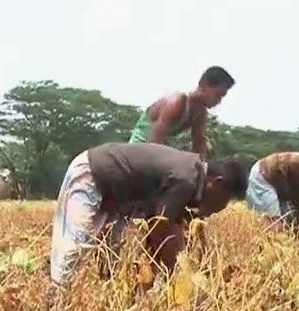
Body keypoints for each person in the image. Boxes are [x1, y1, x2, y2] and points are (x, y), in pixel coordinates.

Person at [49, 142, 249, 288]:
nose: (223, 205)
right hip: (94, 173)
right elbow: (159, 229)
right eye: (226, 198)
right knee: (76, 243)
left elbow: (166, 230)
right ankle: (55, 299)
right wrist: (171, 278)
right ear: (217, 183)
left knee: (110, 254)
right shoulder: (186, 180)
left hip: (119, 198)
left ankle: (103, 296)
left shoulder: (193, 176)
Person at [98, 67, 238, 275]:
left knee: (162, 218)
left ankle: (152, 263)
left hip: (162, 158)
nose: (219, 101)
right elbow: (154, 142)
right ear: (205, 85)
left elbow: (198, 144)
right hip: (140, 154)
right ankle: (108, 259)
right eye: (219, 94)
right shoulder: (177, 102)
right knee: (127, 211)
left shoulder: (199, 113)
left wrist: (199, 180)